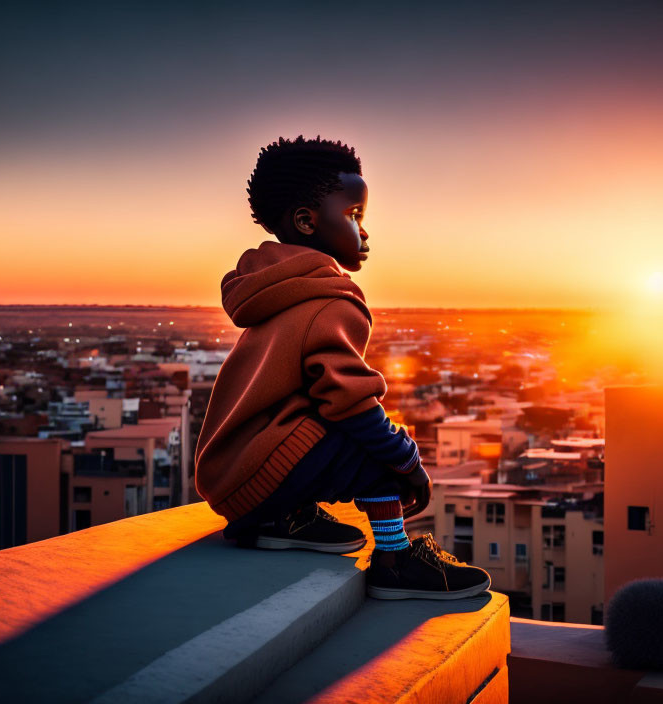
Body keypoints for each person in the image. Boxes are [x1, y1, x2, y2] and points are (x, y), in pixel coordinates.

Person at [194, 135, 490, 599]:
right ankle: (393, 561)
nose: (364, 233)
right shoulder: (329, 300)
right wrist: (408, 462)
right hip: (260, 475)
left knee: (347, 434)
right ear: (307, 222)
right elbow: (350, 400)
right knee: (378, 449)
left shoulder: (272, 289)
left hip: (231, 477)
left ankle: (282, 521)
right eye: (355, 216)